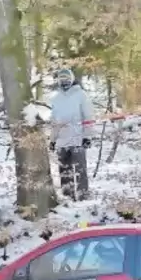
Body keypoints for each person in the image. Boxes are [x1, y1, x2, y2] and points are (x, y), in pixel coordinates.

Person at [49, 68, 94, 201]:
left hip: (77, 138)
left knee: (80, 169)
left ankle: (83, 196)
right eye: (62, 79)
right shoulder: (56, 98)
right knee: (64, 170)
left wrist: (87, 136)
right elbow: (54, 122)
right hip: (62, 140)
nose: (64, 82)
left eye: (67, 79)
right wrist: (52, 140)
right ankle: (67, 196)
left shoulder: (80, 95)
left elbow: (88, 116)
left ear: (72, 79)